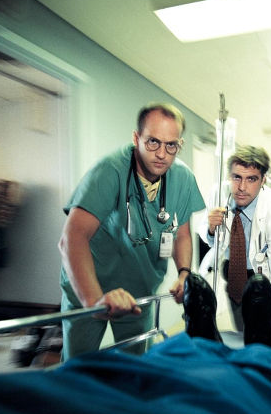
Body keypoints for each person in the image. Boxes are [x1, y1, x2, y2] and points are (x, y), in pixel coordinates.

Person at [58, 102, 205, 360]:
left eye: (171, 145)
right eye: (153, 142)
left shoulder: (183, 178)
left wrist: (184, 273)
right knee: (78, 367)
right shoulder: (110, 171)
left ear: (179, 145)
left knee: (134, 364)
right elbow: (72, 238)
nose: (162, 153)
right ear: (136, 138)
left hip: (139, 290)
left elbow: (182, 234)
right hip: (92, 284)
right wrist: (94, 302)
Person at [200, 145, 271, 334]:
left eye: (251, 179)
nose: (242, 188)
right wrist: (210, 229)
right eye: (237, 177)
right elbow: (209, 238)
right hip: (232, 273)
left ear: (263, 180)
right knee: (242, 331)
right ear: (229, 176)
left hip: (261, 278)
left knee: (264, 334)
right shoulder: (218, 194)